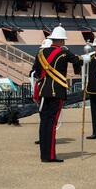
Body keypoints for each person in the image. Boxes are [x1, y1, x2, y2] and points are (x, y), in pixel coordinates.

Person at [31, 26, 81, 163]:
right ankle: (50, 156)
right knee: (52, 124)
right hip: (56, 92)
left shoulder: (41, 53)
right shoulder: (64, 52)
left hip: (43, 91)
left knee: (44, 123)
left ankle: (44, 155)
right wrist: (84, 59)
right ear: (62, 41)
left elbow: (35, 72)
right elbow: (77, 61)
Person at [32, 39, 53, 145]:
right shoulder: (39, 56)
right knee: (42, 114)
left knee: (50, 116)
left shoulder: (54, 57)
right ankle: (43, 137)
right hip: (41, 86)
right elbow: (34, 68)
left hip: (50, 88)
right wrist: (34, 73)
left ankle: (48, 137)